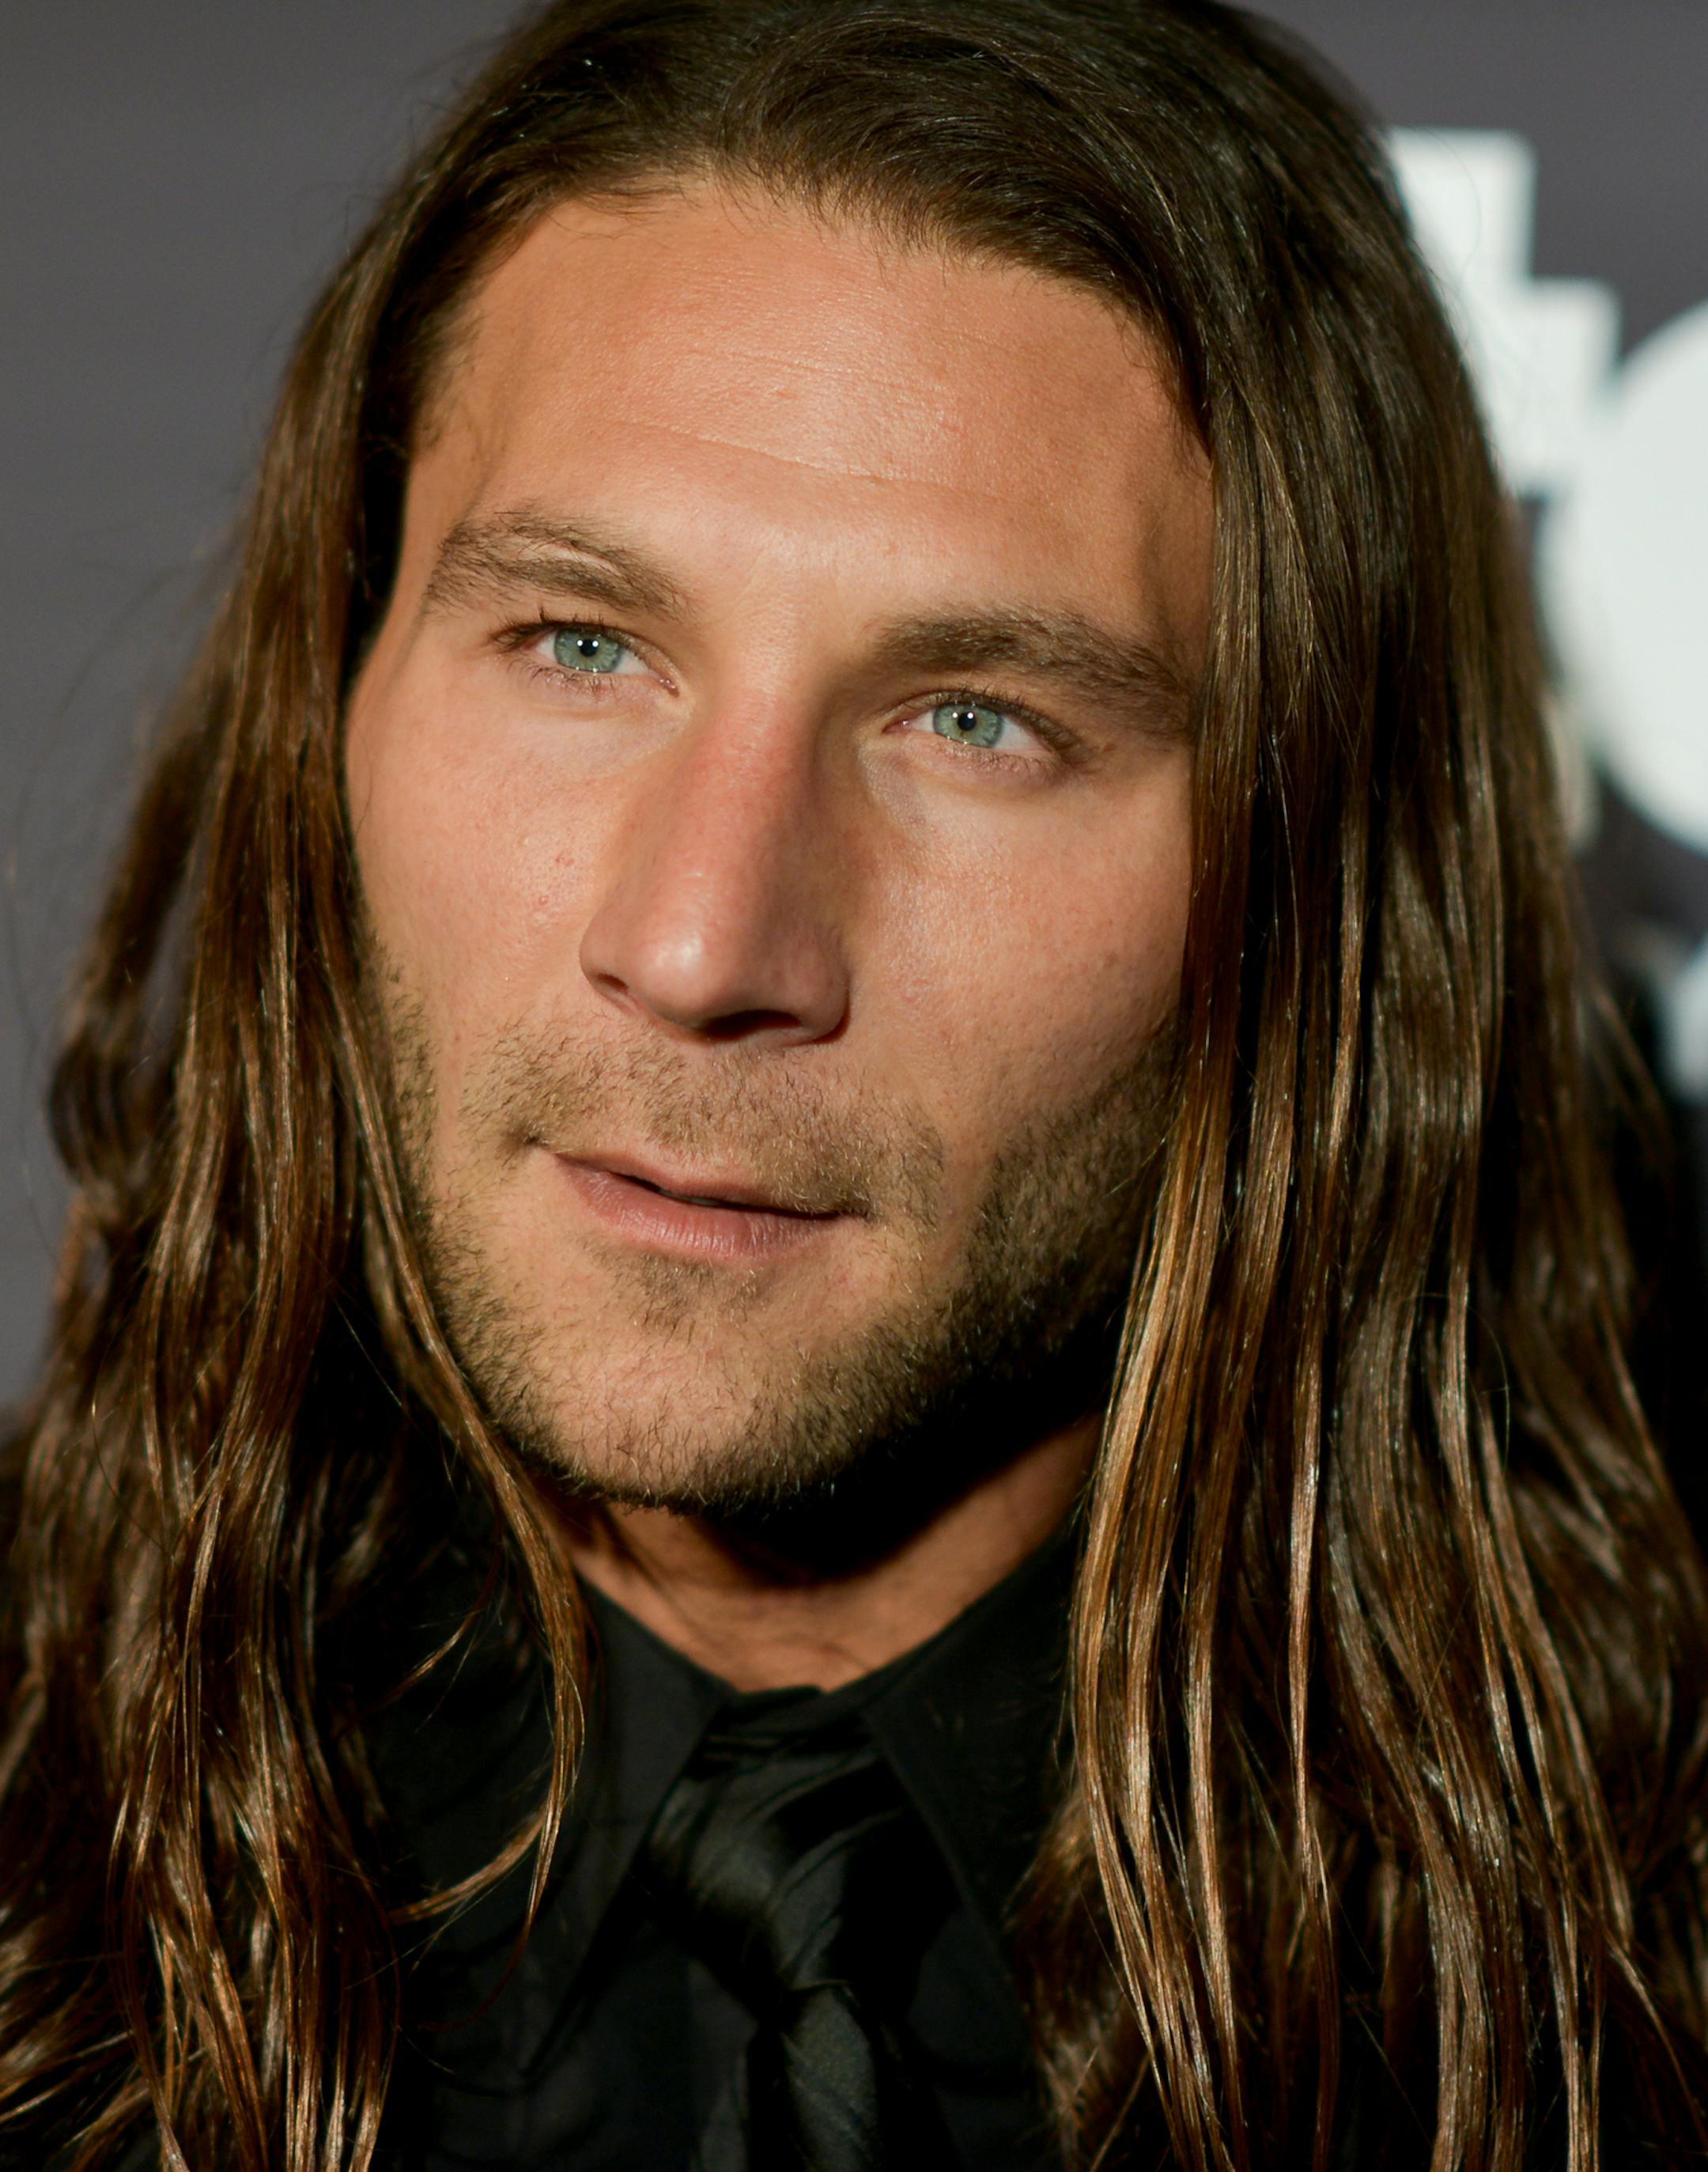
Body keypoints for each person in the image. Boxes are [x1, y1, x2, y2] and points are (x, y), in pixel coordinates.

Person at [2, 0, 1706, 2165]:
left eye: (977, 719)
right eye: (581, 646)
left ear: (1318, 876)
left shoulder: (1625, 1988)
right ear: (334, 692)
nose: (707, 945)